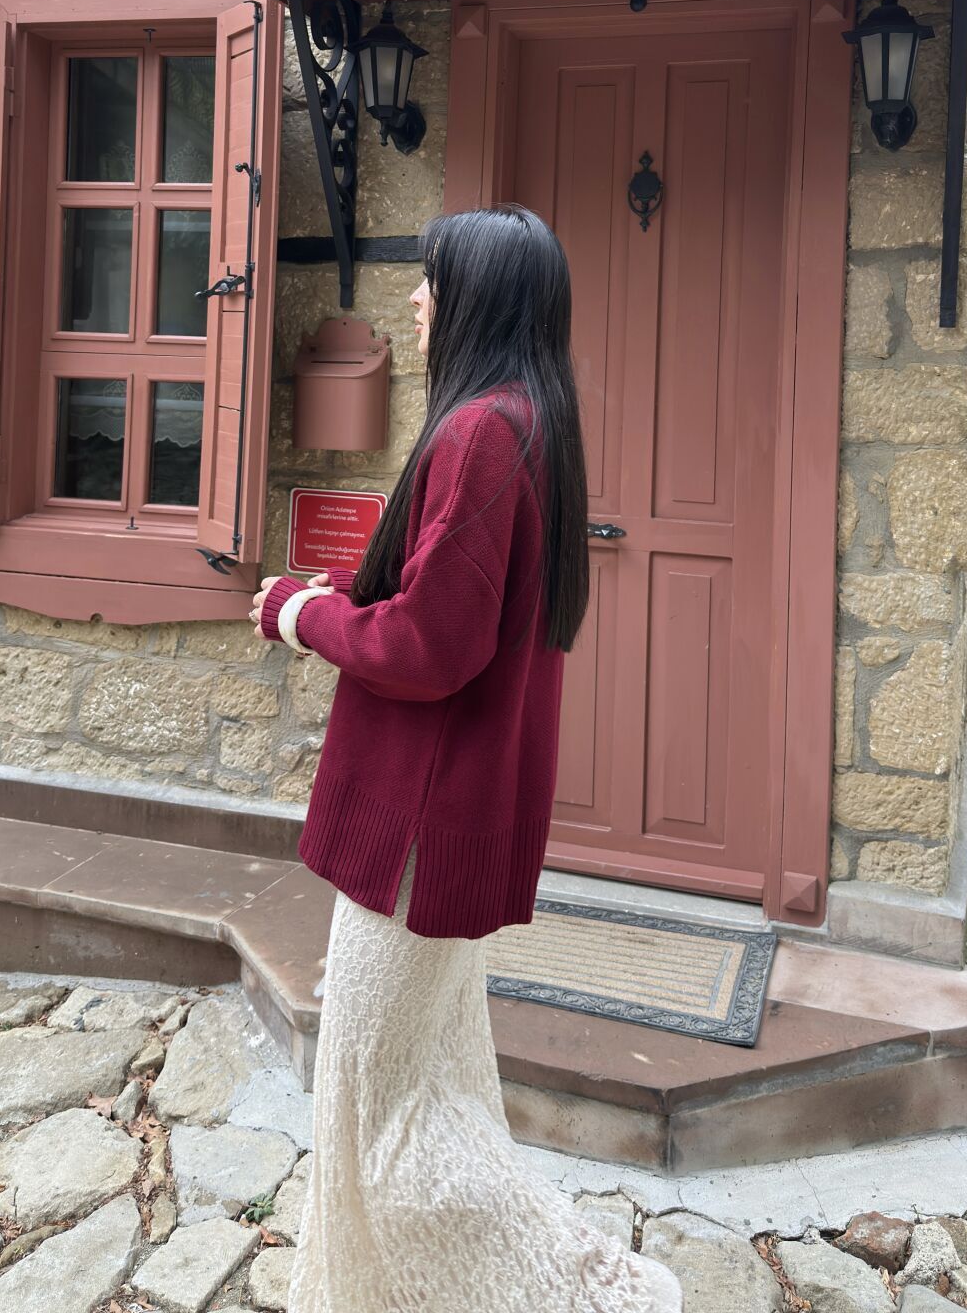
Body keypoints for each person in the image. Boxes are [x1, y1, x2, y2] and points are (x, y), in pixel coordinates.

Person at [251, 203, 682, 1312]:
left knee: (380, 1114)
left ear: (476, 298)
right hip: (448, 813)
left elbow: (430, 646)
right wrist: (345, 597)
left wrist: (301, 614)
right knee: (435, 1092)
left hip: (417, 816)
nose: (414, 298)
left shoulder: (481, 431)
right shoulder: (532, 421)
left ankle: (587, 1292)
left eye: (431, 281)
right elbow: (447, 607)